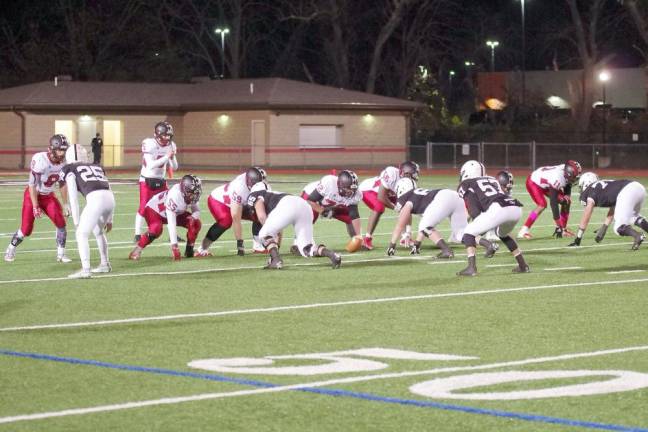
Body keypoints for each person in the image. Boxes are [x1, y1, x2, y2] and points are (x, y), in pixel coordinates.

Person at [4, 134, 71, 263]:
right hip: (33, 195)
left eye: (64, 150)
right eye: (59, 150)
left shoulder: (64, 163)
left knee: (61, 223)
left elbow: (62, 183)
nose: (62, 153)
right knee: (26, 230)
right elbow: (32, 185)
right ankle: (11, 248)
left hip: (48, 196)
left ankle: (61, 254)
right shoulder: (40, 159)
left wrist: (66, 203)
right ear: (51, 149)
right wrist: (35, 206)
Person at [457, 160, 529, 276]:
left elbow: (474, 210)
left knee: (468, 233)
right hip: (514, 206)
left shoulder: (466, 184)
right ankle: (523, 265)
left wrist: (478, 223)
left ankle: (471, 268)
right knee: (503, 234)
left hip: (499, 208)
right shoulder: (491, 179)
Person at [247, 189, 342, 269]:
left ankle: (276, 260)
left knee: (263, 234)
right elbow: (277, 230)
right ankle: (332, 255)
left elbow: (262, 217)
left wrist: (273, 249)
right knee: (306, 248)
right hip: (303, 205)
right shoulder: (272, 195)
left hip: (288, 205)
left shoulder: (254, 196)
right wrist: (275, 249)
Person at [61, 144, 115, 278]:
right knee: (98, 231)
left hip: (95, 199)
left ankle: (86, 270)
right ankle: (105, 264)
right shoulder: (97, 166)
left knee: (81, 234)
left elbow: (73, 196)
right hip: (110, 198)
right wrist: (110, 218)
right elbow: (108, 186)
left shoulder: (70, 168)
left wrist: (76, 220)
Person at [386, 177, 469, 259]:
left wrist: (392, 245)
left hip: (442, 198)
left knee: (425, 226)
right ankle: (482, 242)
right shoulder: (418, 196)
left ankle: (446, 250)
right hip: (453, 195)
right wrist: (417, 244)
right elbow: (425, 222)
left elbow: (400, 225)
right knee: (461, 233)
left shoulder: (406, 199)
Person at [129, 175, 202, 260]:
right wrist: (175, 247)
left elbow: (196, 211)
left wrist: (193, 218)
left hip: (174, 213)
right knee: (156, 229)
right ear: (184, 189)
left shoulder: (190, 195)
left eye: (196, 192)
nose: (194, 195)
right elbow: (171, 224)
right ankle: (136, 250)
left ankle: (189, 250)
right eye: (192, 192)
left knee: (196, 224)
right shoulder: (175, 196)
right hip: (154, 210)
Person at [194, 167, 264, 257]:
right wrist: (240, 244)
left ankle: (258, 246)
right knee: (226, 221)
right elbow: (236, 218)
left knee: (259, 213)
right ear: (248, 180)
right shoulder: (240, 188)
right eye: (253, 183)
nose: (255, 186)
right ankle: (201, 249)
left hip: (241, 203)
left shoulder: (262, 185)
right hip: (219, 201)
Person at [568, 172, 647, 249]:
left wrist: (578, 238)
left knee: (618, 227)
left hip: (627, 192)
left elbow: (587, 214)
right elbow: (615, 206)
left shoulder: (590, 190)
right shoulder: (603, 186)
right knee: (632, 217)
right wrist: (604, 228)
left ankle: (638, 236)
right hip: (637, 187)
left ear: (586, 183)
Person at [359, 161, 420, 250]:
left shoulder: (409, 182)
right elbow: (381, 197)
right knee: (379, 207)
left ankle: (405, 237)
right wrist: (395, 208)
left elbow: (408, 206)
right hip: (369, 190)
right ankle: (367, 239)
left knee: (407, 206)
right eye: (414, 173)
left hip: (388, 194)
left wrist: (408, 232)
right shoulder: (392, 173)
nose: (415, 176)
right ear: (406, 173)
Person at [134, 121, 178, 242]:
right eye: (165, 135)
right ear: (158, 134)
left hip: (161, 180)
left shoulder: (171, 145)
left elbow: (174, 167)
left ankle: (173, 235)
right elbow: (150, 165)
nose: (167, 138)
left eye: (169, 135)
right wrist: (166, 157)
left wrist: (172, 158)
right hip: (146, 179)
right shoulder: (149, 143)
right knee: (143, 206)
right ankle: (137, 234)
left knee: (168, 206)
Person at [518, 160, 581, 239]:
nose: (575, 179)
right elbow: (553, 203)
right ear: (568, 173)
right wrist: (558, 224)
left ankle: (564, 230)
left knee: (567, 202)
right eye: (574, 177)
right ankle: (524, 230)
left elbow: (568, 184)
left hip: (547, 183)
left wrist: (567, 196)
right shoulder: (557, 178)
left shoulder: (565, 171)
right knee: (542, 205)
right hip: (533, 182)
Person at [301, 170, 363, 247]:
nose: (351, 192)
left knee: (349, 217)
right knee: (310, 216)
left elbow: (354, 215)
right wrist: (323, 211)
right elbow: (310, 200)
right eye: (348, 189)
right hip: (311, 196)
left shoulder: (356, 194)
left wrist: (359, 237)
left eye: (353, 190)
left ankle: (355, 240)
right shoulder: (329, 183)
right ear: (340, 185)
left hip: (330, 203)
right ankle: (299, 243)